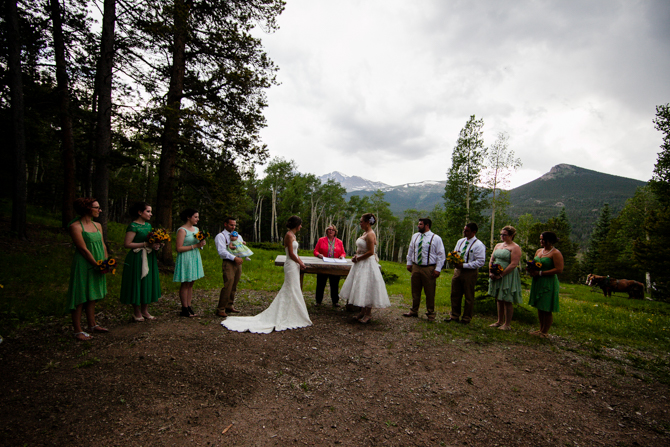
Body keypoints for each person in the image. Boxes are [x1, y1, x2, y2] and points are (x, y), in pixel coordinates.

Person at [222, 216, 312, 333]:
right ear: (296, 225)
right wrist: (299, 262)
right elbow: (290, 253)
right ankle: (287, 313)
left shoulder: (293, 236)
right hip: (290, 265)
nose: (301, 226)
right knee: (290, 287)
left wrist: (300, 262)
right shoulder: (289, 236)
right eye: (300, 224)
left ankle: (293, 311)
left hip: (295, 265)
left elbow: (296, 252)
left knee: (294, 288)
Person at [67, 198, 109, 341]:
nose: (100, 210)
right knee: (80, 295)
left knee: (92, 294)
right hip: (84, 263)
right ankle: (77, 330)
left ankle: (92, 324)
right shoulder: (75, 227)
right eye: (97, 207)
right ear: (87, 209)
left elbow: (103, 245)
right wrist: (95, 264)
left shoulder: (98, 225)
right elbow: (83, 249)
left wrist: (105, 262)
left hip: (98, 261)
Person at [339, 213, 391, 324]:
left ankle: (368, 314)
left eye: (361, 221)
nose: (360, 223)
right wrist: (357, 255)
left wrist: (359, 258)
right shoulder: (365, 233)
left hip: (367, 263)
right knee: (361, 286)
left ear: (368, 222)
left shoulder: (371, 234)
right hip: (360, 263)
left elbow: (371, 252)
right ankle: (362, 312)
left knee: (367, 286)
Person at [120, 202, 162, 321]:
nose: (151, 214)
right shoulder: (133, 226)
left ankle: (145, 310)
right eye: (148, 211)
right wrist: (145, 244)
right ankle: (136, 311)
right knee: (137, 281)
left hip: (149, 256)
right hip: (137, 257)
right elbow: (127, 244)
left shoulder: (148, 226)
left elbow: (151, 239)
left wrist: (156, 245)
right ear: (139, 212)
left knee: (147, 282)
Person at [403, 218, 446, 321]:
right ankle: (414, 310)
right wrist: (409, 263)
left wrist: (438, 269)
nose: (418, 226)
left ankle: (430, 313)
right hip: (416, 266)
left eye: (420, 224)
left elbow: (441, 255)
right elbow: (411, 250)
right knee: (415, 290)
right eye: (418, 224)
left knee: (430, 291)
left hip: (429, 268)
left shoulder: (436, 238)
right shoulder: (415, 236)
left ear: (427, 225)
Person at [446, 222, 486, 324]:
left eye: (466, 230)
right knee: (455, 293)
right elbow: (455, 253)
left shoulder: (479, 245)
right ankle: (454, 315)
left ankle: (466, 317)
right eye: (464, 230)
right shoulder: (460, 241)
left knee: (468, 295)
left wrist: (464, 265)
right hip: (458, 270)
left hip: (470, 272)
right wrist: (453, 260)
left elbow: (480, 262)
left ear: (473, 232)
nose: (464, 232)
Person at [528, 231, 564, 337]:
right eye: (540, 239)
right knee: (540, 306)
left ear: (550, 240)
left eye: (543, 239)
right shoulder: (539, 251)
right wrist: (531, 270)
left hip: (548, 281)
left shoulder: (556, 253)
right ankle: (540, 329)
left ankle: (545, 331)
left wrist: (541, 273)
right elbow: (534, 263)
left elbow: (559, 269)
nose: (541, 241)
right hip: (538, 281)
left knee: (546, 307)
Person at [487, 225, 523, 330]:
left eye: (505, 235)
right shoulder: (498, 245)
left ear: (511, 236)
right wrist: (491, 271)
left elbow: (513, 264)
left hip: (507, 274)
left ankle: (507, 324)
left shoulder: (515, 247)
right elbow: (492, 258)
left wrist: (501, 275)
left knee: (507, 298)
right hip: (495, 271)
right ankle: (499, 321)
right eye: (501, 234)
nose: (502, 236)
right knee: (499, 298)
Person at [173, 208, 206, 317]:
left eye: (198, 217)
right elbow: (178, 248)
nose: (197, 219)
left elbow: (198, 241)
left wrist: (201, 243)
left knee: (191, 282)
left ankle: (189, 305)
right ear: (188, 217)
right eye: (195, 217)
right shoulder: (182, 230)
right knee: (186, 282)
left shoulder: (196, 229)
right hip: (186, 256)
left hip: (195, 256)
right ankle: (184, 308)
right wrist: (195, 246)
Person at [215, 217, 244, 317]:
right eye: (231, 225)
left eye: (234, 225)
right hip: (228, 262)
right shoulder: (221, 236)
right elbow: (222, 252)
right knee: (228, 284)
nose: (233, 227)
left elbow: (241, 247)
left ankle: (229, 305)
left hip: (238, 262)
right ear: (225, 224)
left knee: (234, 285)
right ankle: (221, 308)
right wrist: (234, 258)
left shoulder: (238, 236)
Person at [313, 224, 346, 307]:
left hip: (335, 265)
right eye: (329, 229)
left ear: (335, 232)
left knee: (334, 284)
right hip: (323, 264)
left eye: (332, 230)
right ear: (326, 231)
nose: (330, 231)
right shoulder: (321, 240)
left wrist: (342, 256)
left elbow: (343, 252)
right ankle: (318, 301)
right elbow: (315, 251)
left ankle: (335, 301)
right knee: (321, 283)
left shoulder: (339, 242)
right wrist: (319, 255)